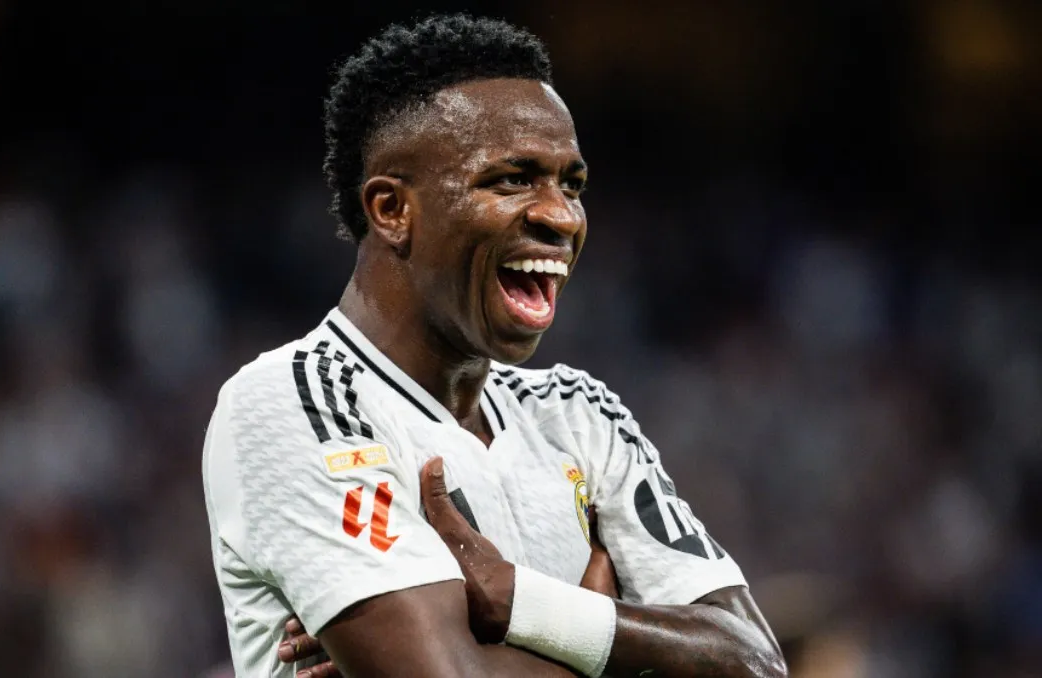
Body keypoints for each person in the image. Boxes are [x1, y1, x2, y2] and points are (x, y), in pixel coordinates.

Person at [201, 13, 787, 678]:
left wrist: (517, 602)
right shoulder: (294, 400)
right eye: (513, 179)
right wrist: (607, 628)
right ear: (392, 210)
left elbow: (753, 659)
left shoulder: (580, 415)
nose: (561, 215)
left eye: (572, 184)